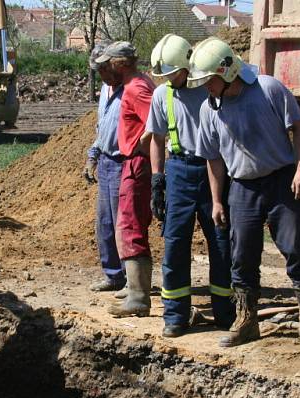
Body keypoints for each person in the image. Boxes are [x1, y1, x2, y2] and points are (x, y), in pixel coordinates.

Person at [190, 37, 300, 350]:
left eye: (208, 81)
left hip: (281, 180)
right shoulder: (209, 109)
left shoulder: (268, 89)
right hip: (242, 187)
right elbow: (213, 158)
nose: (205, 88)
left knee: (295, 248)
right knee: (242, 255)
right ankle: (246, 319)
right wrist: (216, 201)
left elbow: (299, 128)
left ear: (225, 73)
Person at [146, 34, 234, 338]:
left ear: (187, 65)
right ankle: (175, 316)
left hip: (214, 169)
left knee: (221, 242)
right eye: (165, 75)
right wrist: (158, 179)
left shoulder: (210, 90)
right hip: (179, 170)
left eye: (173, 72)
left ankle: (226, 312)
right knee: (175, 244)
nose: (168, 78)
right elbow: (157, 138)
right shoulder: (162, 95)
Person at [93, 42, 155, 318]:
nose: (106, 69)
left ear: (122, 63)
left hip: (134, 163)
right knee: (122, 224)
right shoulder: (132, 86)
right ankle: (133, 291)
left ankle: (139, 296)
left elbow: (157, 124)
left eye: (110, 64)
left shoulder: (137, 88)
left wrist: (140, 146)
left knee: (130, 225)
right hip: (130, 161)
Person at [84, 43, 126, 293]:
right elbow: (103, 128)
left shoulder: (131, 91)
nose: (102, 76)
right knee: (105, 222)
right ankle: (112, 275)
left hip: (124, 162)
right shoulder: (106, 90)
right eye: (98, 72)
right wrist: (93, 154)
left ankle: (130, 280)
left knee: (123, 223)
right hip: (107, 162)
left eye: (104, 70)